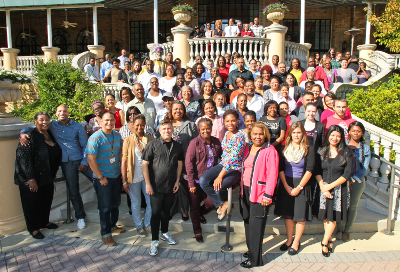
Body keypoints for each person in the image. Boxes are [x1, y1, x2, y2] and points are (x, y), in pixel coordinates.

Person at [19, 106, 93, 230]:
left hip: (80, 159)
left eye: (64, 111)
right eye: (59, 111)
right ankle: (80, 217)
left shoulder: (77, 126)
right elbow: (33, 127)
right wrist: (22, 133)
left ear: (68, 113)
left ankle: (106, 208)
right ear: (56, 113)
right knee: (74, 191)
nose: (62, 113)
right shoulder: (51, 124)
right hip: (66, 163)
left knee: (99, 180)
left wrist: (85, 161)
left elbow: (85, 145)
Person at [15, 111, 62, 239]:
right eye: (41, 120)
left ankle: (44, 222)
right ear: (35, 121)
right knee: (32, 203)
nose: (44, 122)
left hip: (47, 176)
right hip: (32, 178)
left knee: (46, 200)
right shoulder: (29, 136)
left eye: (46, 120)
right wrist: (30, 178)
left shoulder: (49, 135)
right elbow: (23, 158)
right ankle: (34, 228)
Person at [240, 122, 279, 268]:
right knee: (248, 223)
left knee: (256, 226)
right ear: (250, 134)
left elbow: (272, 175)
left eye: (261, 134)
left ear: (265, 135)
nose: (258, 136)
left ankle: (255, 260)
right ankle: (252, 251)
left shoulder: (270, 150)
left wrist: (268, 195)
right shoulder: (248, 148)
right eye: (255, 133)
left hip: (260, 193)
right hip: (246, 191)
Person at [142, 119, 184, 256]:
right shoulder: (152, 145)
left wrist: (177, 181)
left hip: (171, 186)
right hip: (155, 186)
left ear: (173, 130)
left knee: (166, 211)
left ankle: (164, 232)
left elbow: (179, 164)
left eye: (169, 128)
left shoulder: (177, 146)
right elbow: (144, 165)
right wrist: (147, 184)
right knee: (155, 213)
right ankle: (154, 240)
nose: (167, 131)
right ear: (159, 131)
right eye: (164, 129)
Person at [274, 122, 314, 255]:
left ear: (303, 133)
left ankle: (296, 242)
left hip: (302, 184)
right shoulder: (284, 149)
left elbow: (309, 171)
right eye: (294, 132)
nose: (296, 135)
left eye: (299, 132)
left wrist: (299, 187)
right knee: (288, 214)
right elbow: (280, 169)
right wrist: (286, 185)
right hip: (287, 184)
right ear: (290, 134)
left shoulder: (309, 149)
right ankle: (289, 240)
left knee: (300, 216)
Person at [85, 112, 125, 246]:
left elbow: (119, 153)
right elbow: (90, 159)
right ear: (101, 122)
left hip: (115, 175)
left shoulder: (117, 135)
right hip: (102, 178)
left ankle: (113, 225)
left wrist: (122, 171)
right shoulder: (95, 138)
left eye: (112, 120)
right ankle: (106, 234)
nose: (109, 122)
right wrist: (101, 177)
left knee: (115, 204)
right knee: (105, 207)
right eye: (107, 120)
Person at [200, 109, 246, 221]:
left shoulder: (240, 136)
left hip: (235, 168)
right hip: (223, 164)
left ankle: (222, 203)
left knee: (218, 186)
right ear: (224, 122)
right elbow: (225, 155)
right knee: (203, 180)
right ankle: (222, 203)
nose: (230, 123)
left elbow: (232, 159)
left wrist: (220, 176)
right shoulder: (226, 133)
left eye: (233, 121)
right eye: (228, 121)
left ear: (238, 121)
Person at [315, 125, 354, 257]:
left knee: (333, 217)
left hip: (339, 189)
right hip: (323, 187)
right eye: (332, 135)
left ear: (342, 137)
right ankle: (329, 238)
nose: (335, 138)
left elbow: (347, 173)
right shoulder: (321, 150)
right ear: (328, 135)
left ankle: (325, 242)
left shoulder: (347, 152)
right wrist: (323, 187)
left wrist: (329, 187)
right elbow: (317, 171)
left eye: (338, 135)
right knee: (325, 216)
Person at [185, 118, 223, 242]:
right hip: (195, 181)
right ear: (199, 130)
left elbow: (222, 158)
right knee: (194, 206)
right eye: (203, 129)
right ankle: (197, 231)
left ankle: (201, 214)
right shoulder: (194, 143)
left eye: (208, 128)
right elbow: (189, 163)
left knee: (210, 204)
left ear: (211, 129)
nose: (206, 131)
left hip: (209, 182)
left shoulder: (216, 142)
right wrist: (191, 183)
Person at [163, 101, 199, 221]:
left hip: (185, 161)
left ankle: (184, 210)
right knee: (170, 187)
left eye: (180, 109)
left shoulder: (190, 124)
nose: (178, 111)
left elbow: (196, 143)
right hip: (169, 162)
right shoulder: (166, 124)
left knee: (183, 187)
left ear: (184, 111)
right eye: (175, 109)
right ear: (171, 111)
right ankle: (171, 210)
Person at [336, 121, 371, 242]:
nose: (356, 133)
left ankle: (347, 230)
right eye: (353, 130)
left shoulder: (365, 148)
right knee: (341, 205)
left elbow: (364, 169)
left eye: (358, 131)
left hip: (358, 181)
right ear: (349, 132)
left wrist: (353, 179)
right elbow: (339, 164)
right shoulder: (343, 145)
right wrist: (345, 179)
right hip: (342, 180)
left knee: (352, 206)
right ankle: (340, 229)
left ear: (362, 133)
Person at [121, 115, 154, 237]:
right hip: (133, 176)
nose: (139, 127)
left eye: (142, 125)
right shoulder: (128, 140)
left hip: (148, 176)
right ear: (133, 126)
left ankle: (147, 224)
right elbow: (124, 160)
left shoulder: (150, 139)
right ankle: (139, 226)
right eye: (137, 125)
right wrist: (124, 180)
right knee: (135, 202)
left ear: (145, 125)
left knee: (150, 201)